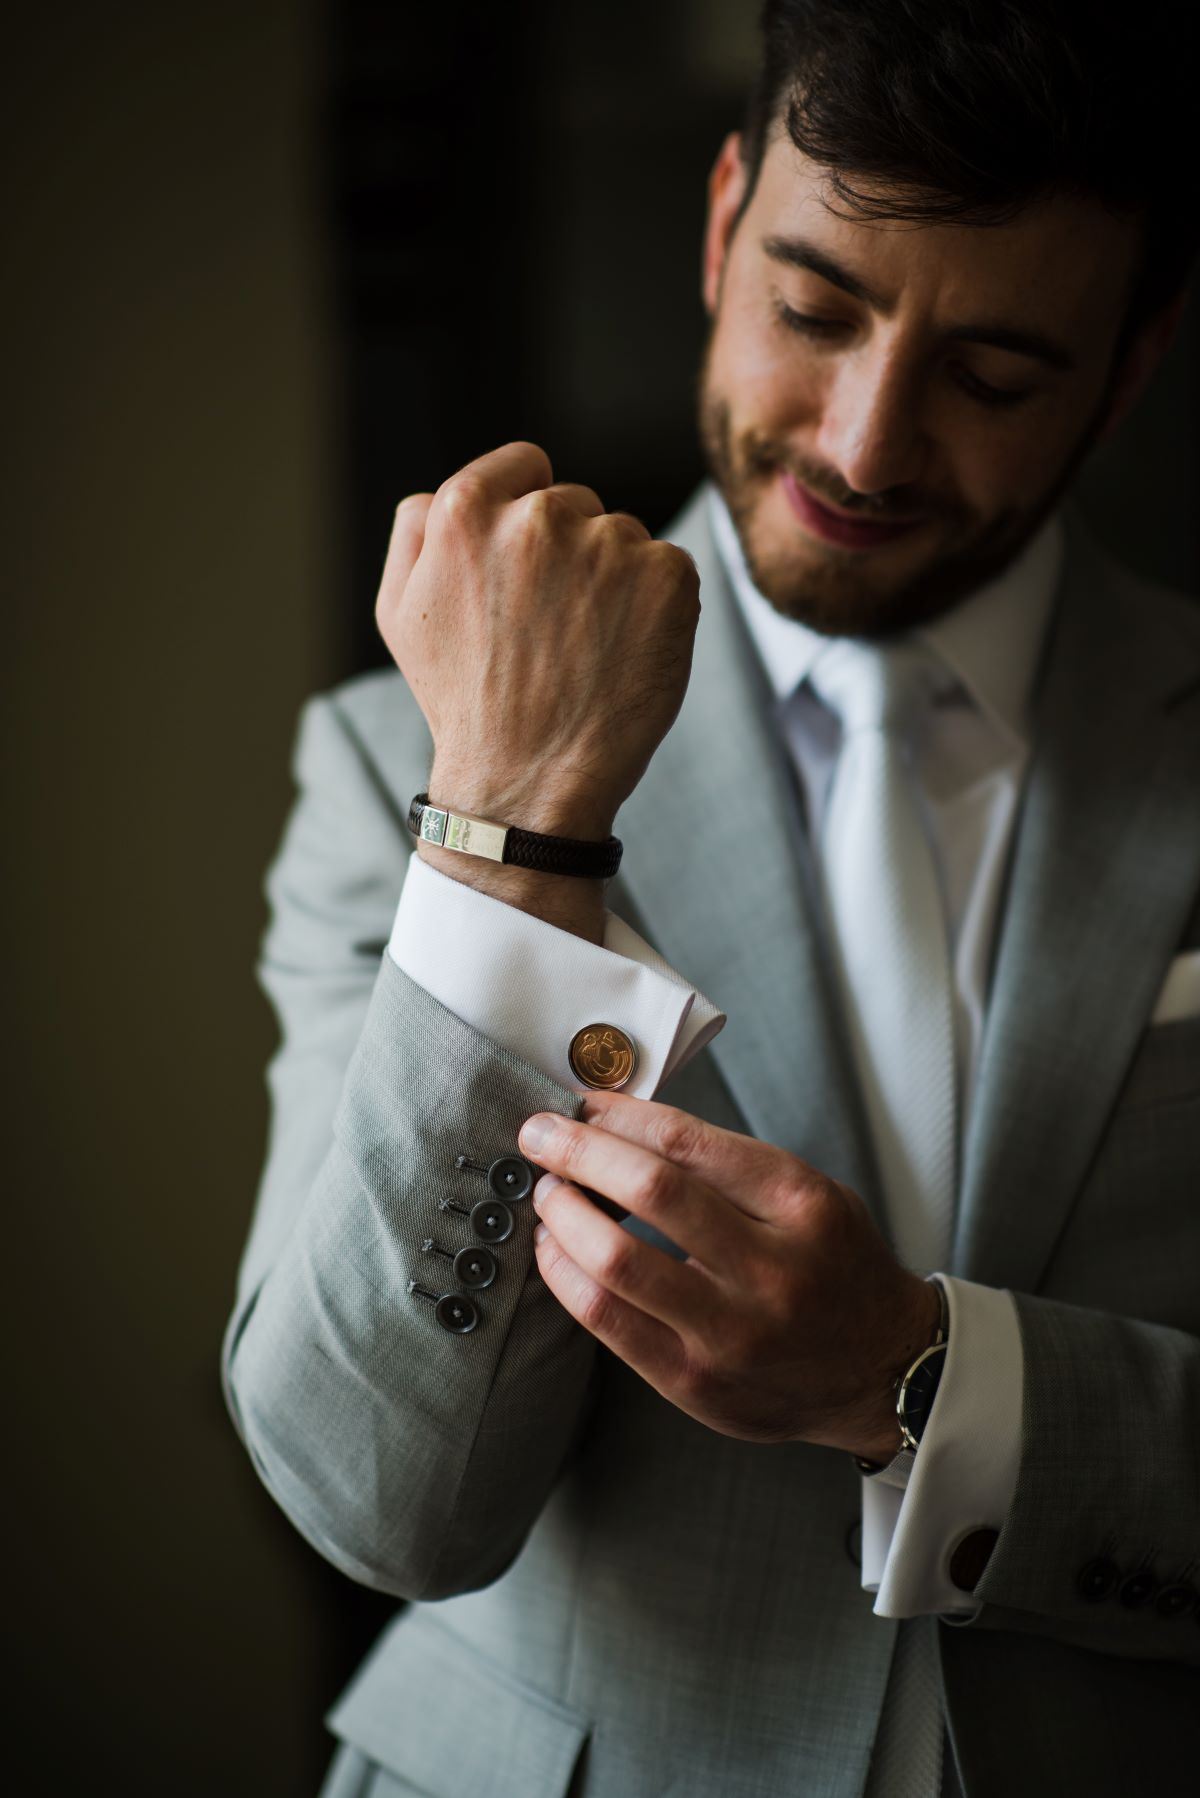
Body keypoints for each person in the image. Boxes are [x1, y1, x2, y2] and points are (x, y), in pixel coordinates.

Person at [222, 3, 1200, 1793]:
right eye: (814, 309)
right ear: (721, 218)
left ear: (1131, 366)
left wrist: (922, 1375)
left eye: (992, 374)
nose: (867, 444)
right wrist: (511, 830)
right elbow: (374, 1501)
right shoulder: (394, 765)